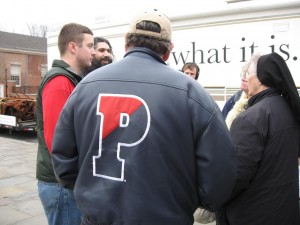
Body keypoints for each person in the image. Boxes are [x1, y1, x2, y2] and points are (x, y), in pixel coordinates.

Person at [52, 9, 236, 225]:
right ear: (169, 51)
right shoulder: (192, 92)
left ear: (126, 43)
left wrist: (90, 191)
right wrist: (192, 202)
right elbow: (219, 173)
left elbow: (63, 161)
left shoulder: (85, 86)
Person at [216, 52, 300, 225]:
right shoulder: (290, 110)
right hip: (286, 211)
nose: (245, 80)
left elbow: (236, 177)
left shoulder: (250, 118)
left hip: (253, 214)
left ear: (260, 78)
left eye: (247, 75)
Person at [35, 23, 95, 225]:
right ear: (73, 47)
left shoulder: (71, 80)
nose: (93, 52)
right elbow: (56, 140)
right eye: (90, 46)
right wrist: (73, 179)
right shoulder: (59, 82)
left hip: (64, 183)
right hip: (61, 185)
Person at [224, 62, 250, 129]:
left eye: (247, 74)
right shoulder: (235, 98)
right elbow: (221, 122)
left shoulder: (260, 102)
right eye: (243, 73)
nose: (243, 77)